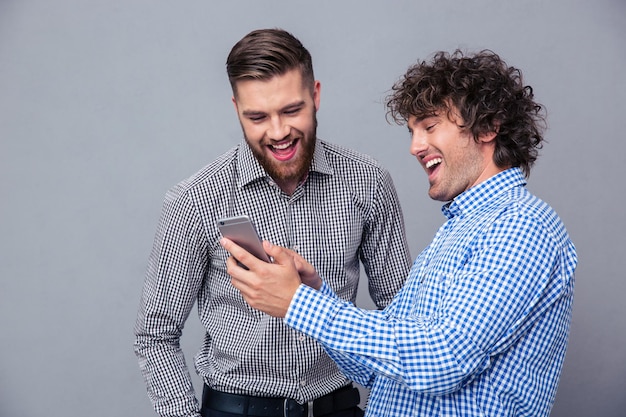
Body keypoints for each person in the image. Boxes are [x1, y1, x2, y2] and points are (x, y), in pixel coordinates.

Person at [221, 49, 578, 417]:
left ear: (488, 127)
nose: (415, 147)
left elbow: (444, 359)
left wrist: (301, 304)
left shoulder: (522, 226)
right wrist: (315, 292)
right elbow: (381, 372)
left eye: (429, 126)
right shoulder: (459, 230)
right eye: (412, 131)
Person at [133, 28, 411, 417]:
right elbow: (155, 335)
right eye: (258, 117)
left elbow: (403, 318)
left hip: (340, 406)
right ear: (236, 109)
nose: (279, 132)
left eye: (291, 110)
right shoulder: (195, 199)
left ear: (315, 95)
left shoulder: (368, 182)